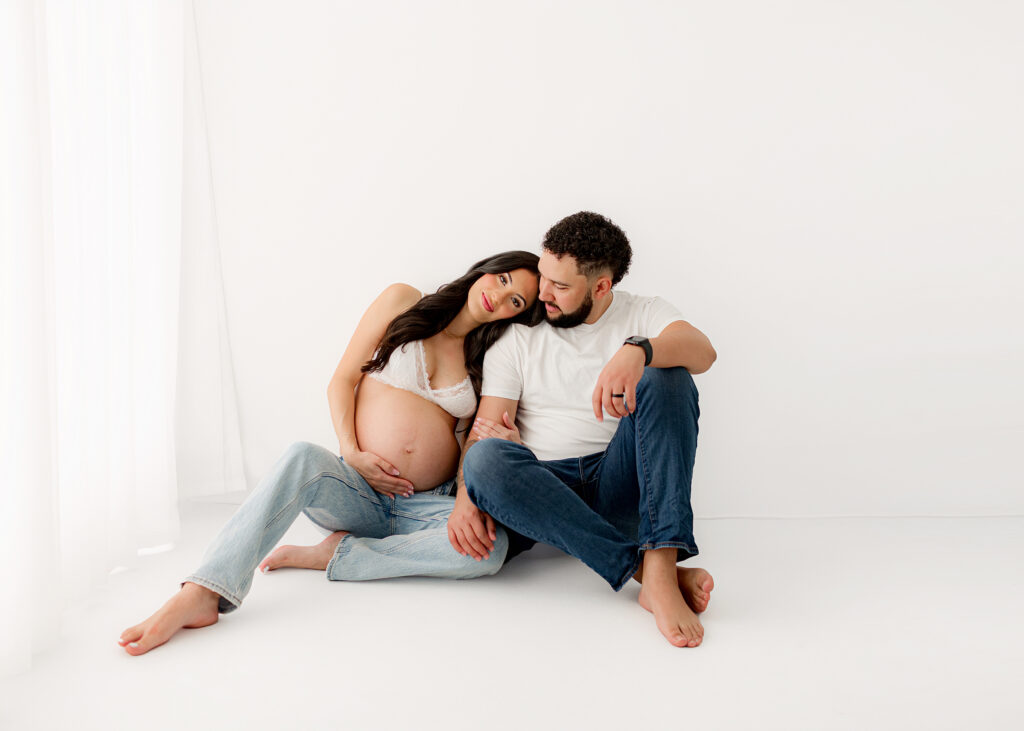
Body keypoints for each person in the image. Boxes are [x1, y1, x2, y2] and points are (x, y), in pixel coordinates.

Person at [118, 251, 543, 655]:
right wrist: (351, 452)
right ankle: (203, 591)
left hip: (424, 505)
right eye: (503, 279)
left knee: (491, 550)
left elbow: (474, 441)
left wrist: (472, 490)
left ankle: (339, 554)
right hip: (357, 490)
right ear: (486, 269)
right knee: (302, 455)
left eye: (516, 300)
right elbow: (341, 381)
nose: (499, 295)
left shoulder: (488, 359)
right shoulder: (403, 300)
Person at [448, 211, 717, 648]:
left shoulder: (644, 312)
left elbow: (704, 353)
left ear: (601, 287)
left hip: (619, 483)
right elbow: (484, 432)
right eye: (543, 276)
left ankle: (661, 561)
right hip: (544, 490)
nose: (542, 293)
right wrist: (467, 496)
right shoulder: (517, 336)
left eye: (560, 286)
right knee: (484, 459)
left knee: (670, 376)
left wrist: (640, 350)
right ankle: (648, 574)